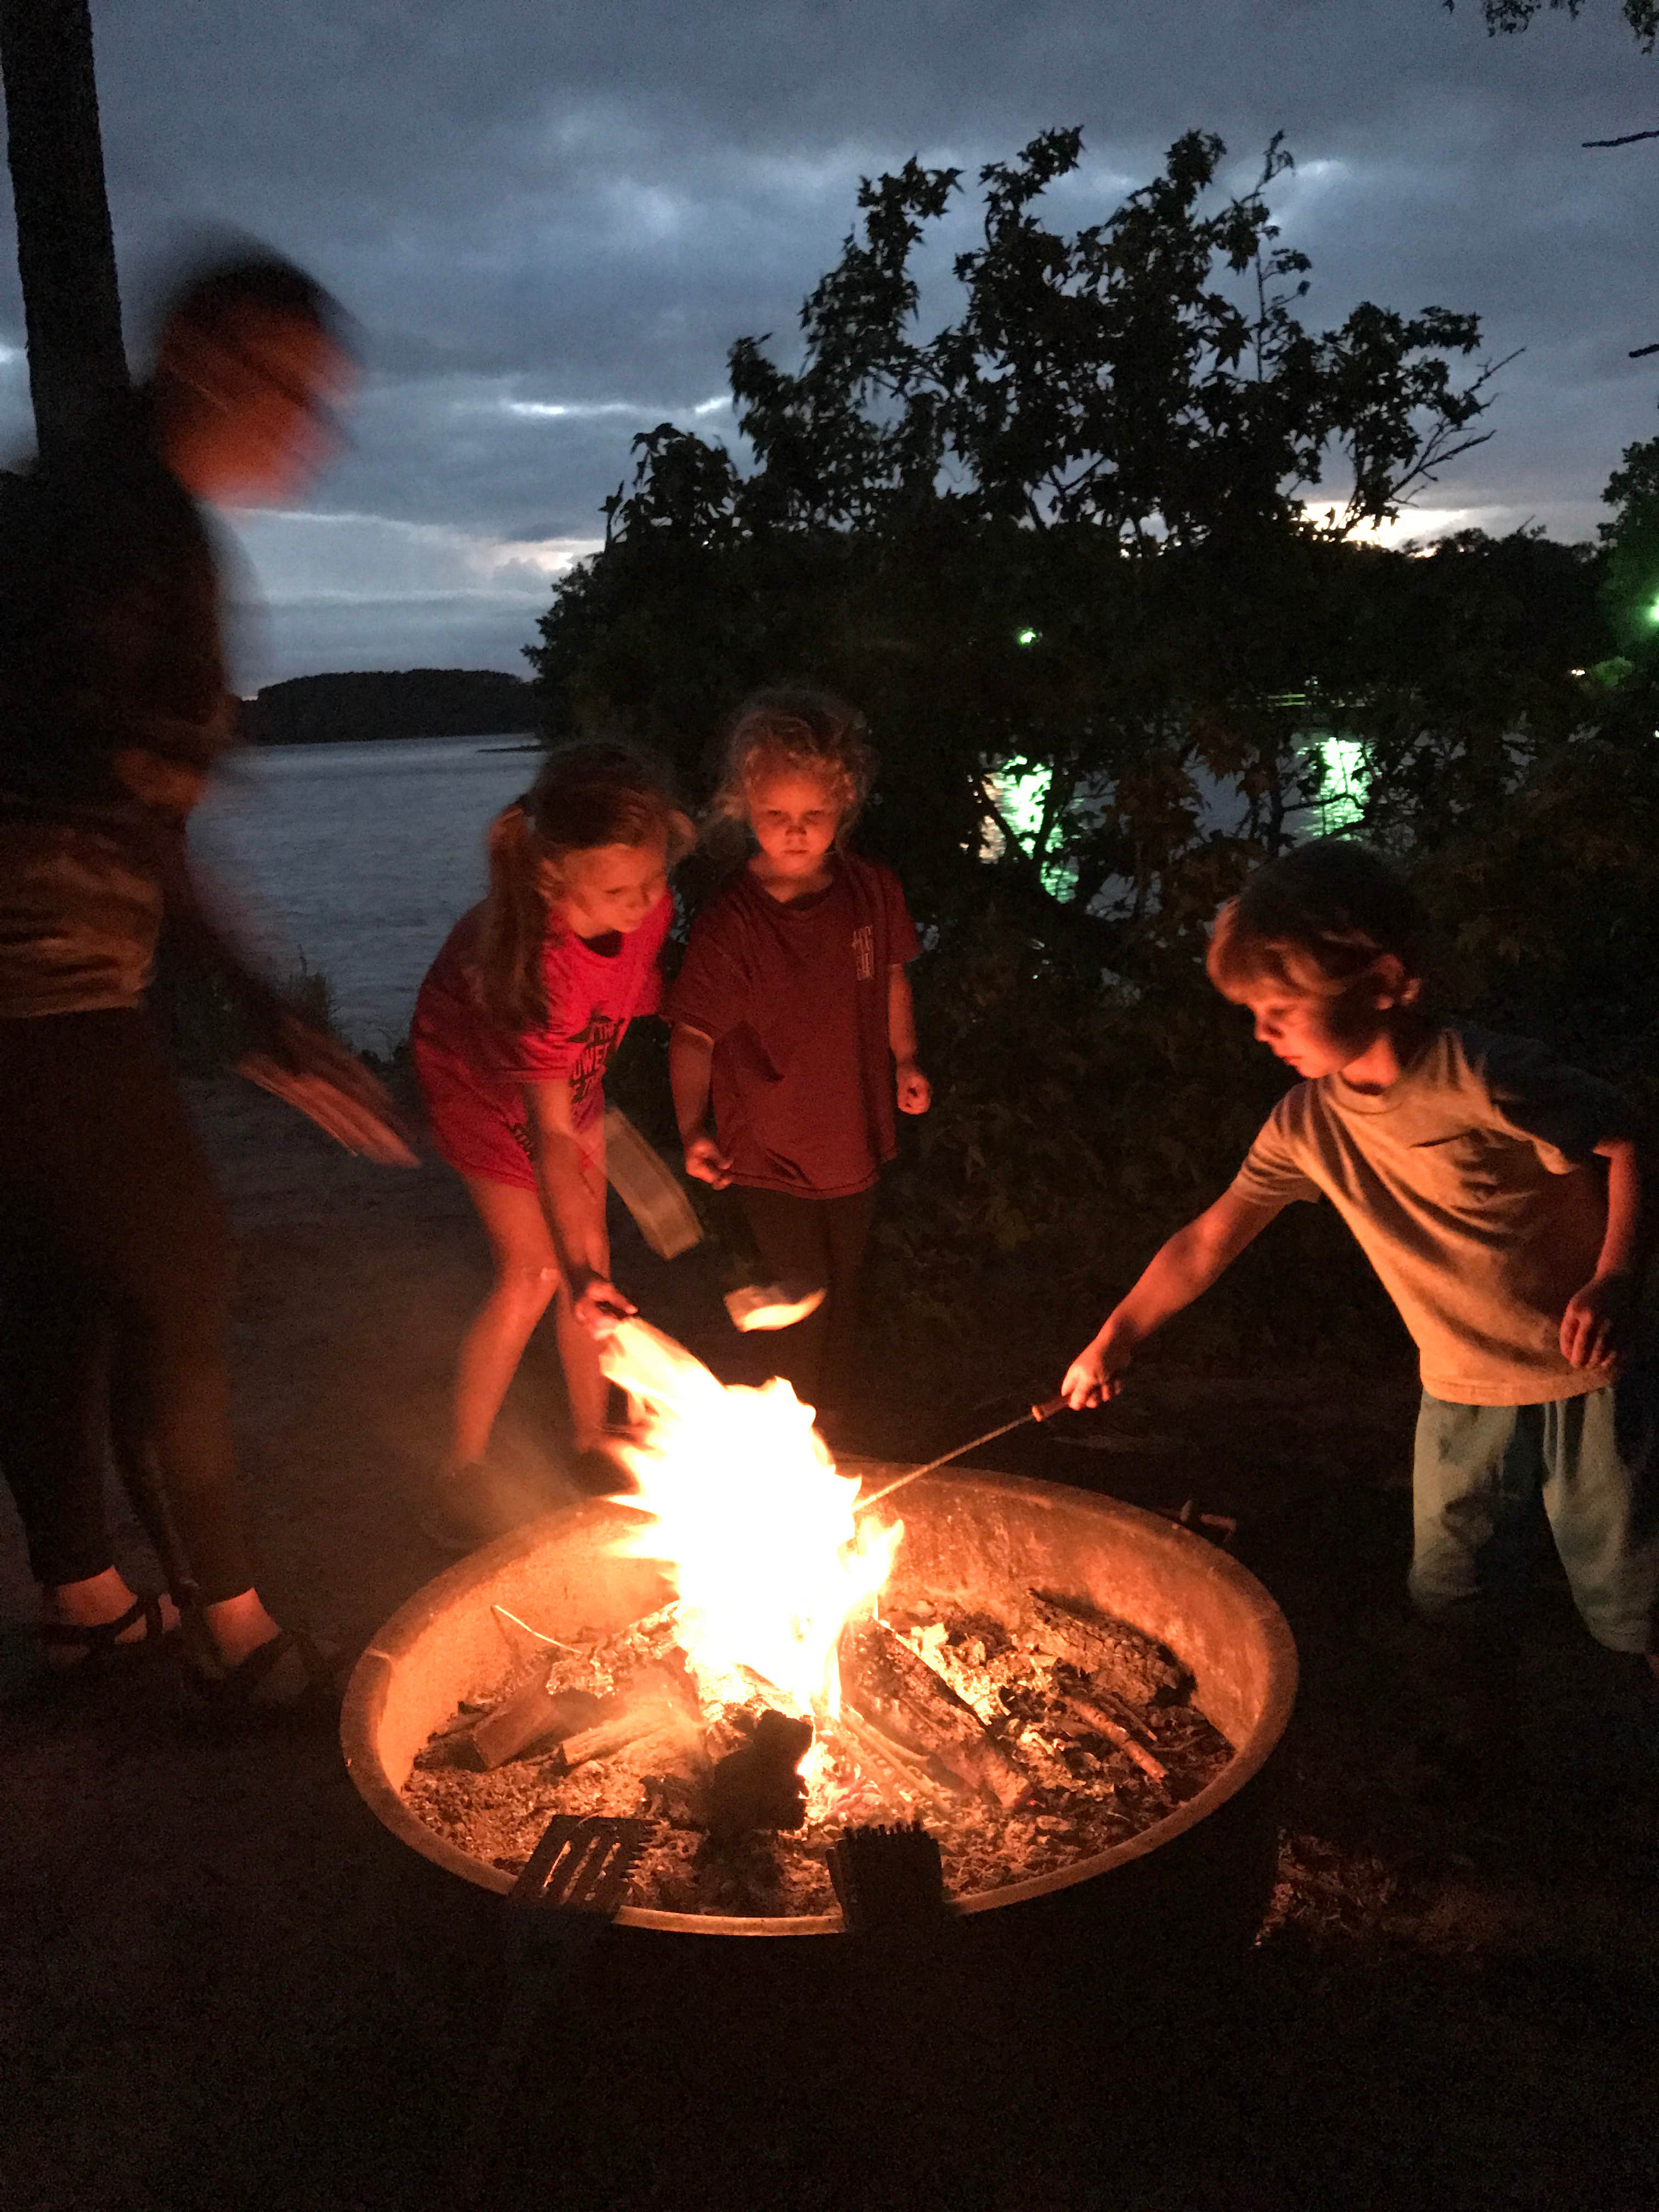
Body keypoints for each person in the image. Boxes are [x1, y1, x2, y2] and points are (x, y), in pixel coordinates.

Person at [0, 250, 415, 1713]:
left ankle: (86, 1608)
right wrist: (262, 1015)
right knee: (179, 1278)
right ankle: (231, 1636)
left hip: (51, 983)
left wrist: (241, 1010)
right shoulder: (129, 531)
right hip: (35, 982)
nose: (309, 431)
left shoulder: (71, 503)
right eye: (290, 390)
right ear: (198, 356)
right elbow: (126, 813)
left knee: (54, 1294)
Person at [1059, 838, 1658, 1721]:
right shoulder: (1306, 1125)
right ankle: (1480, 1754)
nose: (1262, 1031)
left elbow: (1628, 1140)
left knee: (1635, 1593)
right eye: (1252, 1010)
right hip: (1458, 1389)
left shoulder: (1482, 1076)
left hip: (1590, 1380)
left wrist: (1614, 1280)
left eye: (1281, 1007)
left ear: (1380, 981)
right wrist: (1117, 1337)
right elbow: (1211, 1237)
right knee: (1453, 1591)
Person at [411, 740, 693, 1548]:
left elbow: (627, 1011)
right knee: (539, 1272)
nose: (642, 904)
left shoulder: (643, 906)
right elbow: (551, 1129)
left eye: (652, 880)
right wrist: (576, 1265)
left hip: (563, 1080)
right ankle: (458, 1469)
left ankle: (590, 1438)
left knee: (593, 1262)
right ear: (551, 879)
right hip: (477, 1083)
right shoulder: (538, 967)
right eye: (618, 891)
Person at [666, 687, 930, 1423]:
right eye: (776, 816)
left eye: (813, 816)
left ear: (843, 805)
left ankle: (833, 1433)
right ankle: (792, 1428)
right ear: (748, 806)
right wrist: (694, 1130)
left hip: (853, 1137)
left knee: (843, 1287)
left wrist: (905, 1061)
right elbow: (692, 1034)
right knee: (802, 1288)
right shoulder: (732, 923)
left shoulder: (870, 891)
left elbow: (893, 977)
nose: (794, 831)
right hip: (768, 1149)